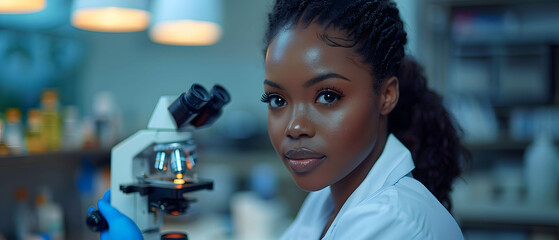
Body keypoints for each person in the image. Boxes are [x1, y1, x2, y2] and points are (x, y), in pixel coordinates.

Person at [91, 0, 469, 239]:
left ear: (386, 95)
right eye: (277, 99)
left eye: (327, 96)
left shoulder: (395, 225)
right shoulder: (327, 199)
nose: (294, 126)